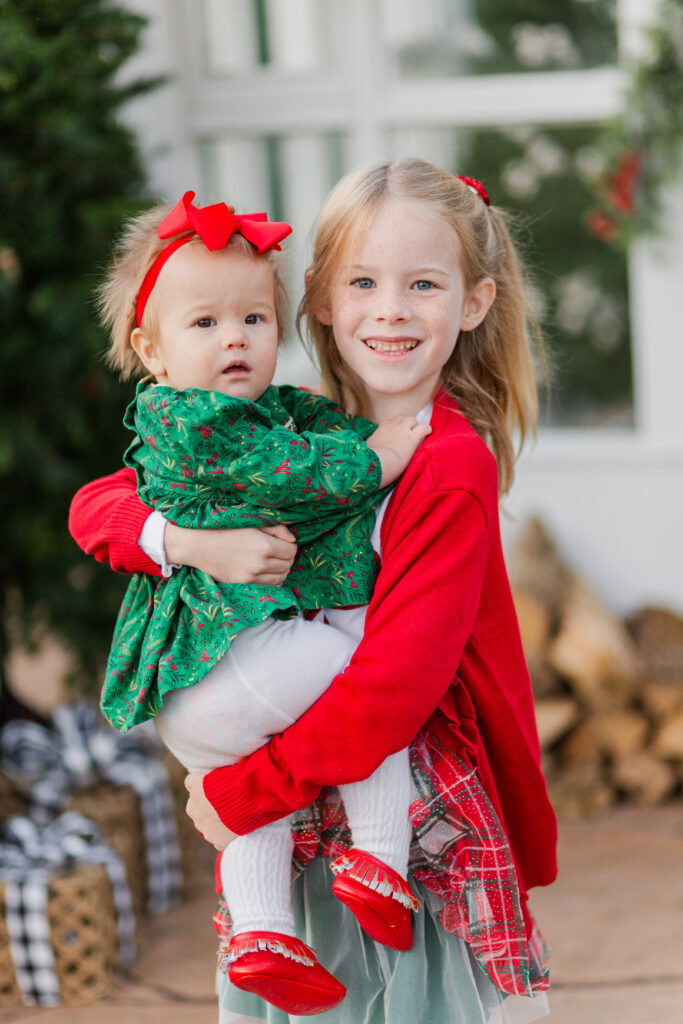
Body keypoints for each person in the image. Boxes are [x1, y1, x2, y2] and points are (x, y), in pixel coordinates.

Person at [69, 158, 558, 1024]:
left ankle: (356, 873)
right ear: (323, 301)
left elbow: (392, 686)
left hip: (395, 813)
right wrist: (183, 541)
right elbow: (112, 495)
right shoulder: (295, 423)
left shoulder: (443, 463)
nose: (391, 309)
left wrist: (242, 789)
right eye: (363, 281)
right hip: (307, 812)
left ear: (474, 303)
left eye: (422, 285)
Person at [93, 189, 432, 1015]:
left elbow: (315, 429)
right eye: (203, 324)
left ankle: (260, 930)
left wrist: (369, 421)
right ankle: (382, 856)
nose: (235, 337)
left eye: (253, 318)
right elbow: (302, 472)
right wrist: (383, 456)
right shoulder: (195, 422)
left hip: (214, 690)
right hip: (222, 668)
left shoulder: (261, 411)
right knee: (365, 686)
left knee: (255, 819)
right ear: (152, 349)